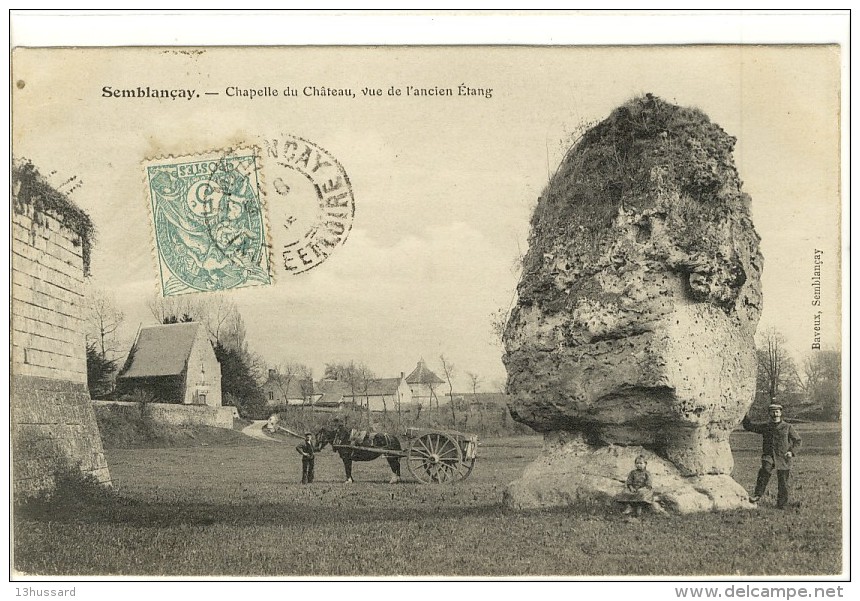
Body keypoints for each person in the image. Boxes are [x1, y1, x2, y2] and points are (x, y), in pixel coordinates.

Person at [742, 402, 802, 509]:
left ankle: (782, 504)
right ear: (769, 413)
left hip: (783, 457)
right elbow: (749, 427)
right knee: (765, 470)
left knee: (783, 481)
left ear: (780, 413)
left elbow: (797, 440)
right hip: (769, 455)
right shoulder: (766, 426)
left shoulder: (787, 427)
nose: (775, 414)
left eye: (777, 411)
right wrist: (745, 414)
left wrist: (791, 452)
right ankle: (757, 495)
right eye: (773, 412)